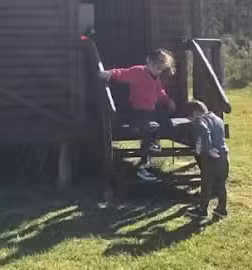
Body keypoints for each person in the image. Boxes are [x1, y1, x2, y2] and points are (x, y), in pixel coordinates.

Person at [98, 49, 177, 182]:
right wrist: (110, 73)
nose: (158, 71)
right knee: (147, 129)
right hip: (138, 110)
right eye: (157, 68)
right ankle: (142, 167)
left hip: (150, 111)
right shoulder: (139, 71)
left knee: (164, 121)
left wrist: (168, 101)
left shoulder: (156, 78)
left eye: (160, 69)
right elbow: (124, 73)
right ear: (149, 62)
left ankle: (153, 143)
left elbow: (160, 92)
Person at [186, 99, 229, 220]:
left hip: (210, 157)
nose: (191, 121)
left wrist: (208, 148)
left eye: (190, 118)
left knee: (206, 184)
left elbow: (205, 131)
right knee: (221, 184)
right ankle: (221, 209)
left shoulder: (200, 120)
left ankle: (202, 210)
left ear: (195, 113)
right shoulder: (218, 119)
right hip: (224, 154)